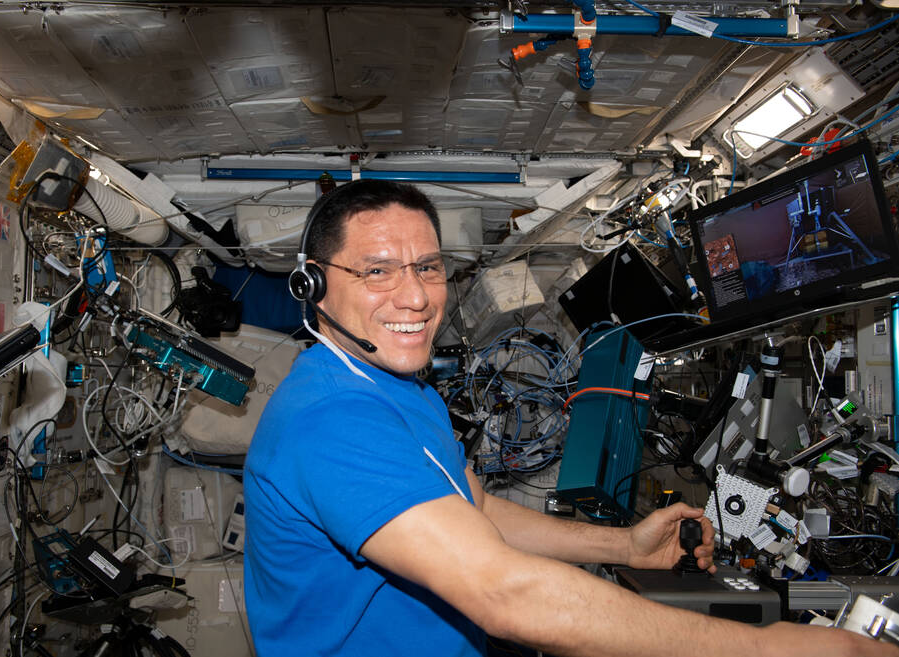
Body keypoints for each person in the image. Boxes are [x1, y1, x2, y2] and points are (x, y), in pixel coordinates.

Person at [242, 179, 895, 657]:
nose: (413, 295)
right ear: (312, 285)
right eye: (377, 270)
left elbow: (473, 508)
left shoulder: (397, 385)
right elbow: (506, 595)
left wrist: (623, 543)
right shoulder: (329, 420)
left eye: (428, 267)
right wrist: (777, 649)